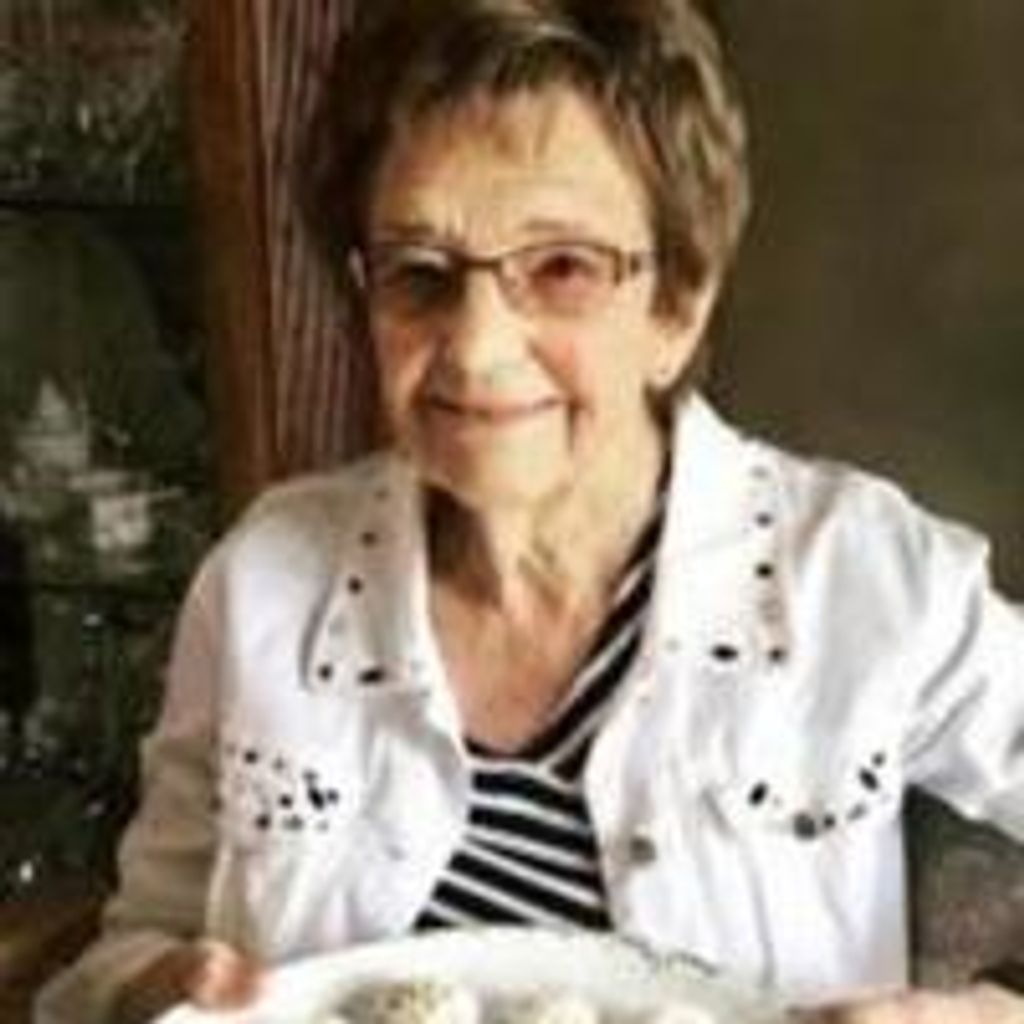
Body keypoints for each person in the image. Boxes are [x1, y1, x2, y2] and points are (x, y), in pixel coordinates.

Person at [37, 1, 1024, 1021]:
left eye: (561, 268)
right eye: (420, 275)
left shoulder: (864, 576)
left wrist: (993, 1015)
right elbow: (131, 941)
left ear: (678, 305)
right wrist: (156, 986)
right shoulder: (264, 584)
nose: (475, 349)